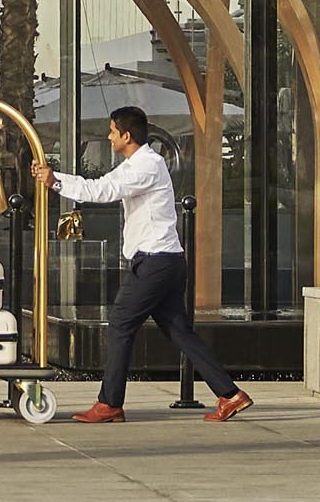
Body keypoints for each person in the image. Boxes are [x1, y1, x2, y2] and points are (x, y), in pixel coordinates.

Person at [36, 107, 249, 423]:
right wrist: (57, 180)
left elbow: (103, 191)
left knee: (121, 321)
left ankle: (109, 403)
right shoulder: (134, 164)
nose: (108, 136)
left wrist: (55, 182)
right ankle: (231, 395)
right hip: (161, 261)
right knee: (179, 331)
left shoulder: (147, 166)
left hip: (156, 262)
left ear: (126, 135)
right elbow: (101, 183)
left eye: (111, 131)